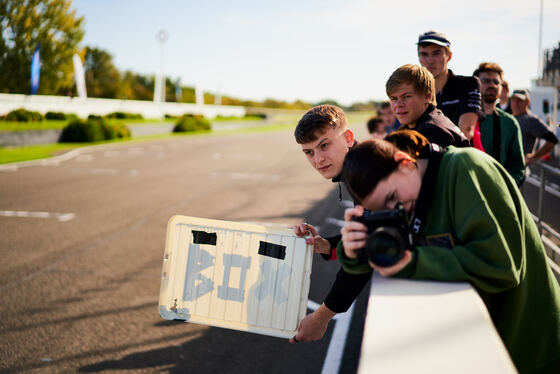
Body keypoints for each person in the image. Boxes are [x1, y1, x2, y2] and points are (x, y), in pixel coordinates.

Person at [338, 133, 560, 374]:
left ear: (404, 162)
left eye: (392, 198)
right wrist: (353, 249)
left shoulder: (465, 167)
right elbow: (383, 254)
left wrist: (413, 262)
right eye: (384, 210)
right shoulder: (414, 195)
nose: (396, 211)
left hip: (532, 350)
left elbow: (502, 265)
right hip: (489, 346)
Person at [291, 104, 371, 343]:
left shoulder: (368, 173)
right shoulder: (360, 165)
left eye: (324, 145)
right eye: (309, 152)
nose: (318, 159)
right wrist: (327, 245)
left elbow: (364, 254)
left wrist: (321, 317)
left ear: (348, 137)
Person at [417, 30, 484, 140]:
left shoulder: (468, 84)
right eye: (424, 54)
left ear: (449, 56)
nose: (430, 60)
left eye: (436, 53)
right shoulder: (417, 92)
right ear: (419, 58)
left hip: (461, 156)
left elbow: (466, 131)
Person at [386, 63, 470, 148]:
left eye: (407, 96)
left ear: (427, 97)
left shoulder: (432, 131)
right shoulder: (415, 126)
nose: (399, 105)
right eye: (394, 99)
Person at [473, 62, 525, 185]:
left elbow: (517, 166)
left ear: (501, 88)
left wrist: (505, 188)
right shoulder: (462, 117)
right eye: (485, 81)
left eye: (496, 82)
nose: (492, 85)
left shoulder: (510, 123)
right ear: (475, 84)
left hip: (497, 192)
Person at [510, 89, 559, 165]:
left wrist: (533, 156)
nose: (516, 103)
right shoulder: (508, 118)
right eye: (513, 100)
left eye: (520, 100)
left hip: (519, 171)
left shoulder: (531, 120)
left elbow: (552, 139)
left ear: (527, 102)